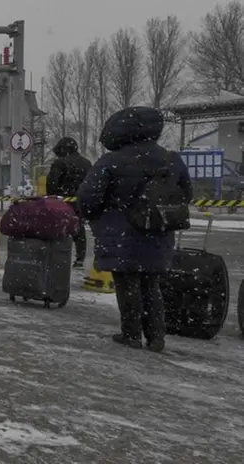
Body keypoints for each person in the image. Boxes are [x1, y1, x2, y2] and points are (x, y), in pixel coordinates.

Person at [77, 107, 191, 353]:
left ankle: (131, 334)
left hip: (121, 234)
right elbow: (186, 195)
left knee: (127, 283)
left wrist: (97, 216)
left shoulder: (111, 161)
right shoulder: (172, 159)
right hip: (158, 232)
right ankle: (156, 337)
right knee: (152, 284)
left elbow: (88, 197)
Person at [46, 136, 93, 268]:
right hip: (80, 201)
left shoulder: (60, 163)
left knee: (60, 228)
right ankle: (80, 258)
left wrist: (52, 198)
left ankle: (60, 256)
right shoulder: (86, 163)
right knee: (79, 229)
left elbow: (52, 184)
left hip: (63, 202)